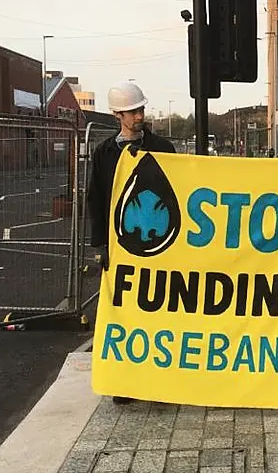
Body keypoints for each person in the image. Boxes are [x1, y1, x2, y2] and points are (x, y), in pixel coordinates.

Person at [86, 81, 176, 405]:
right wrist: (101, 246)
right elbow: (96, 199)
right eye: (132, 111)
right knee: (125, 315)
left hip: (160, 242)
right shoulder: (105, 153)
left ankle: (160, 382)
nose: (139, 116)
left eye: (140, 109)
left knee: (158, 312)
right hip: (120, 244)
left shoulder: (163, 148)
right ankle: (126, 383)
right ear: (117, 115)